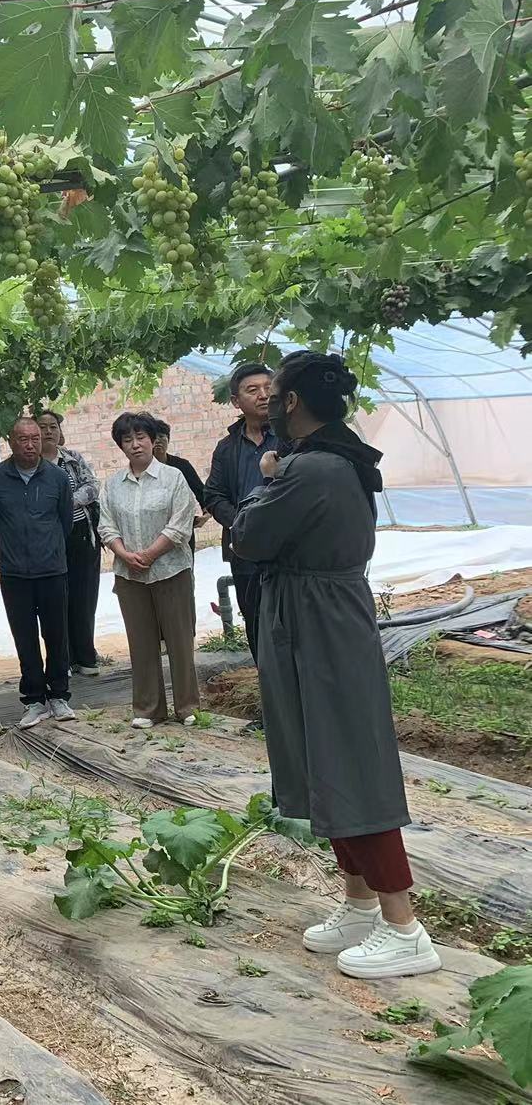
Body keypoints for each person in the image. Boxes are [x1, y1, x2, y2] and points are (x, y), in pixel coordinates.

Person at [232, 351, 439, 980]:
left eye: (275, 394)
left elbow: (247, 537)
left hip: (320, 619)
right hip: (312, 615)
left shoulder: (309, 468)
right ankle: (359, 902)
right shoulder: (333, 457)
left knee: (350, 758)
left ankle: (403, 927)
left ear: (292, 401)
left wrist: (265, 478)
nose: (269, 403)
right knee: (323, 754)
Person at [97, 414, 201, 730]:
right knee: (141, 642)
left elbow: (180, 523)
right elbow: (106, 525)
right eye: (127, 440)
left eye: (140, 437)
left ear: (153, 440)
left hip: (171, 569)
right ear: (121, 446)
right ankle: (148, 708)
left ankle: (187, 706)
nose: (135, 445)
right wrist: (124, 554)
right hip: (130, 574)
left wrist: (150, 553)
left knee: (180, 639)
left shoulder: (173, 477)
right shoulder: (112, 484)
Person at [0, 416, 77, 729]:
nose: (30, 445)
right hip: (15, 574)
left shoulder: (57, 477)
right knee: (24, 638)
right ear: (11, 442)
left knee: (57, 635)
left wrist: (46, 546)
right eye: (23, 439)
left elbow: (65, 522)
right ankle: (34, 700)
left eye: (35, 438)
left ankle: (59, 695)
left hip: (52, 570)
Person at [205, 362, 282, 658]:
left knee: (292, 623)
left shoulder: (290, 438)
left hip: (286, 550)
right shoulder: (227, 448)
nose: (263, 395)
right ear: (236, 402)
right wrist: (242, 523)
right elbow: (213, 494)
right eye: (253, 390)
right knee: (256, 623)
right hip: (245, 552)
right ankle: (268, 680)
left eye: (268, 388)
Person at [36, 411, 103, 678]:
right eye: (43, 427)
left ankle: (85, 656)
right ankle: (62, 659)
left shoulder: (72, 458)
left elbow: (92, 485)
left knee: (84, 596)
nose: (48, 431)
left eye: (53, 426)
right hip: (50, 539)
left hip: (81, 535)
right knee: (56, 599)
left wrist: (68, 501)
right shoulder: (31, 465)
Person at [151, 418, 207, 510]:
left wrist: (206, 511)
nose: (157, 441)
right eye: (153, 438)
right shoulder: (143, 467)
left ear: (168, 440)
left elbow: (200, 491)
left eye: (161, 436)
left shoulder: (182, 465)